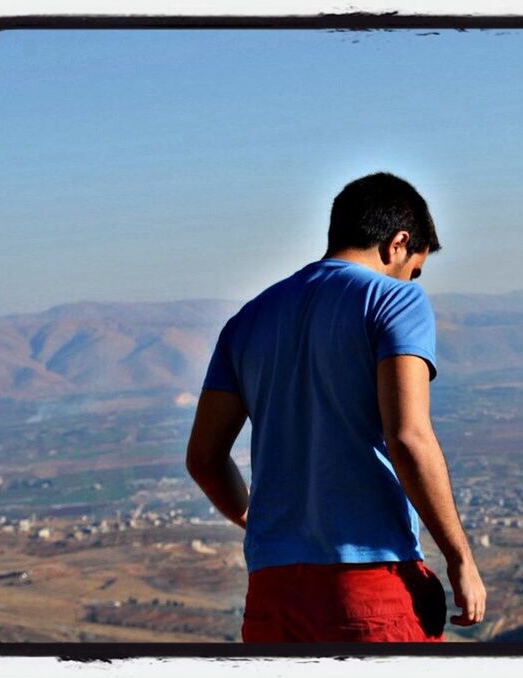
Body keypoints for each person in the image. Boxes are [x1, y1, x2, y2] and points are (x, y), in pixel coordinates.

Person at [185, 172, 486, 642]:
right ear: (398, 244)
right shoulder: (394, 300)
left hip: (272, 592)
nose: (413, 278)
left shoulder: (247, 320)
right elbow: (407, 435)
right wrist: (460, 558)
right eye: (416, 266)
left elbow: (203, 458)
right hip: (367, 589)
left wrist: (256, 519)